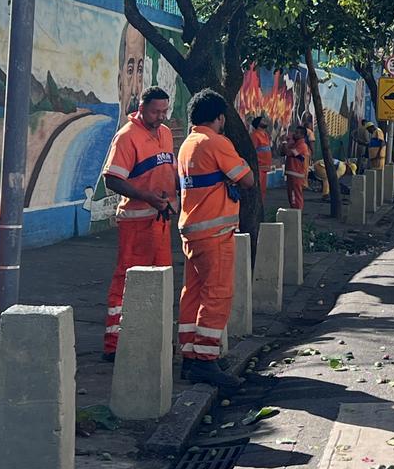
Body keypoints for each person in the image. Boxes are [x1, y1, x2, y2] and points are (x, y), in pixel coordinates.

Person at [177, 89, 254, 388]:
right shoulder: (216, 142)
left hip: (191, 230)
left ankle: (190, 356)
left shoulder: (187, 144)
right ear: (220, 117)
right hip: (215, 232)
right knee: (217, 293)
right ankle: (206, 360)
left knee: (192, 293)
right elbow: (246, 178)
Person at [99, 86, 177, 361]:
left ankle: (151, 336)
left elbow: (168, 172)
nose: (161, 117)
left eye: (164, 111)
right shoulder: (127, 137)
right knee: (128, 280)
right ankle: (115, 343)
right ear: (141, 108)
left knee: (159, 278)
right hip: (136, 222)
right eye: (156, 111)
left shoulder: (165, 134)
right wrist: (147, 197)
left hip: (160, 219)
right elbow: (112, 179)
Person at [283, 124, 310, 209]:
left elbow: (288, 153)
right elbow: (283, 152)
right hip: (292, 174)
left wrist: (285, 142)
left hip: (297, 175)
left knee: (296, 196)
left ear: (302, 135)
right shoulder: (294, 144)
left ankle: (297, 213)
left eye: (297, 133)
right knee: (292, 195)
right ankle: (294, 212)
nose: (294, 134)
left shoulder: (302, 146)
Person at [249, 116, 272, 208]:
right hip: (259, 167)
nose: (265, 121)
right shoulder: (255, 135)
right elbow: (252, 151)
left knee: (262, 190)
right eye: (263, 120)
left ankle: (260, 207)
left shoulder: (266, 135)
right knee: (258, 190)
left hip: (265, 167)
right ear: (258, 123)